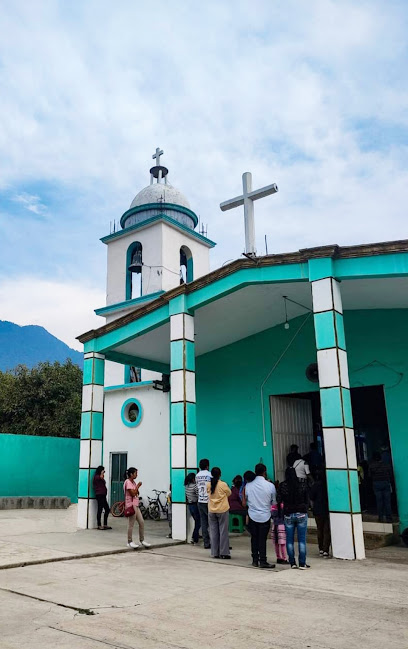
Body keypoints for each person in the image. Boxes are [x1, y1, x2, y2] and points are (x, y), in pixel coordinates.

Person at [244, 463, 276, 569]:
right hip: (265, 516)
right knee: (262, 540)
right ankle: (263, 560)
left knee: (254, 538)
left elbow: (245, 501)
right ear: (264, 472)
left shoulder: (248, 485)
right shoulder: (270, 486)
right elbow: (274, 502)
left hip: (252, 515)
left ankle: (254, 560)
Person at [278, 467, 309, 569]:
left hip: (288, 514)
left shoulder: (283, 485)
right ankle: (302, 563)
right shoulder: (302, 484)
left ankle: (292, 563)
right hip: (301, 513)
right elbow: (306, 500)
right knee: (302, 540)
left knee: (289, 540)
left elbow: (279, 500)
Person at [207, 467, 231, 559]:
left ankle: (215, 552)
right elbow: (229, 493)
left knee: (213, 532)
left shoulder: (208, 484)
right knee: (223, 532)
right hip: (222, 509)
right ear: (220, 474)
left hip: (211, 510)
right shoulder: (223, 484)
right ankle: (224, 553)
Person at [124, 467, 151, 549]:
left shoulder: (133, 482)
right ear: (131, 474)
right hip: (131, 505)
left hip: (136, 504)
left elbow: (136, 493)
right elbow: (133, 493)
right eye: (135, 473)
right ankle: (129, 541)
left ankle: (142, 540)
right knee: (131, 524)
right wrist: (138, 486)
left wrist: (136, 488)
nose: (137, 475)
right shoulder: (128, 482)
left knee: (141, 522)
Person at [309, 469, 331, 557]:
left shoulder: (315, 485)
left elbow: (311, 497)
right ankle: (326, 549)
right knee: (327, 530)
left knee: (319, 529)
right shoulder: (328, 485)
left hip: (317, 509)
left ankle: (321, 548)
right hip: (327, 509)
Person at [369, 452, 393, 523]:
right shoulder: (386, 465)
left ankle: (381, 518)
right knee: (387, 502)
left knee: (379, 502)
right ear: (380, 458)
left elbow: (369, 476)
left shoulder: (371, 466)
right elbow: (390, 474)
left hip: (376, 484)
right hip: (386, 483)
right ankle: (389, 518)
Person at [196, 459, 212, 549]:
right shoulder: (210, 475)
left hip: (200, 501)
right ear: (207, 466)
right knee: (213, 523)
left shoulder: (197, 476)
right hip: (209, 501)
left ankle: (206, 543)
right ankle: (214, 542)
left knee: (204, 523)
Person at [93, 466, 112, 530]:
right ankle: (99, 525)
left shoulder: (100, 477)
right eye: (103, 470)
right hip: (99, 494)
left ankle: (105, 524)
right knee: (100, 509)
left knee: (107, 509)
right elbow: (100, 477)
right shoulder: (97, 477)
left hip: (103, 494)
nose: (104, 472)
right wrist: (101, 473)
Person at [184, 473, 200, 544]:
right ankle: (194, 537)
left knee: (197, 522)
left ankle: (195, 536)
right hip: (195, 505)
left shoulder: (186, 486)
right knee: (198, 523)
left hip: (190, 506)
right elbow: (198, 495)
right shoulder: (195, 486)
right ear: (193, 479)